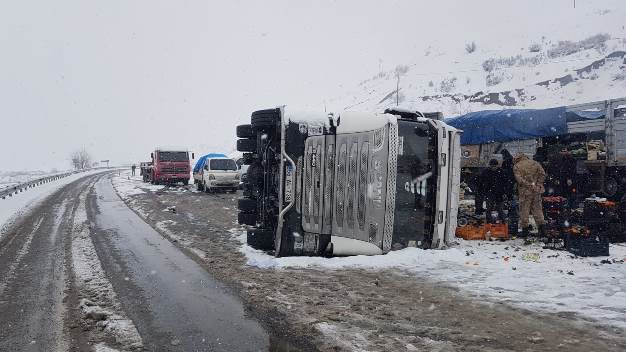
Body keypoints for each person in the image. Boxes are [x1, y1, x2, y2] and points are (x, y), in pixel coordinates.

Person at [513, 153, 547, 237]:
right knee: (538, 210)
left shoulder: (517, 166)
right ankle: (542, 230)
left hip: (525, 192)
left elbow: (519, 180)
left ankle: (525, 231)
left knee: (524, 211)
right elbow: (543, 174)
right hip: (536, 191)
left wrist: (528, 185)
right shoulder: (535, 163)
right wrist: (537, 184)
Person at [480, 159, 505, 223]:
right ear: (490, 166)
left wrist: (504, 191)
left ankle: (501, 221)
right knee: (489, 208)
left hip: (499, 193)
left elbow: (505, 182)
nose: (493, 168)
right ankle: (489, 221)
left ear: (497, 166)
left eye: (495, 166)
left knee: (500, 208)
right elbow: (482, 182)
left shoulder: (501, 171)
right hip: (489, 192)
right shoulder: (485, 172)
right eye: (492, 166)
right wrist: (484, 190)